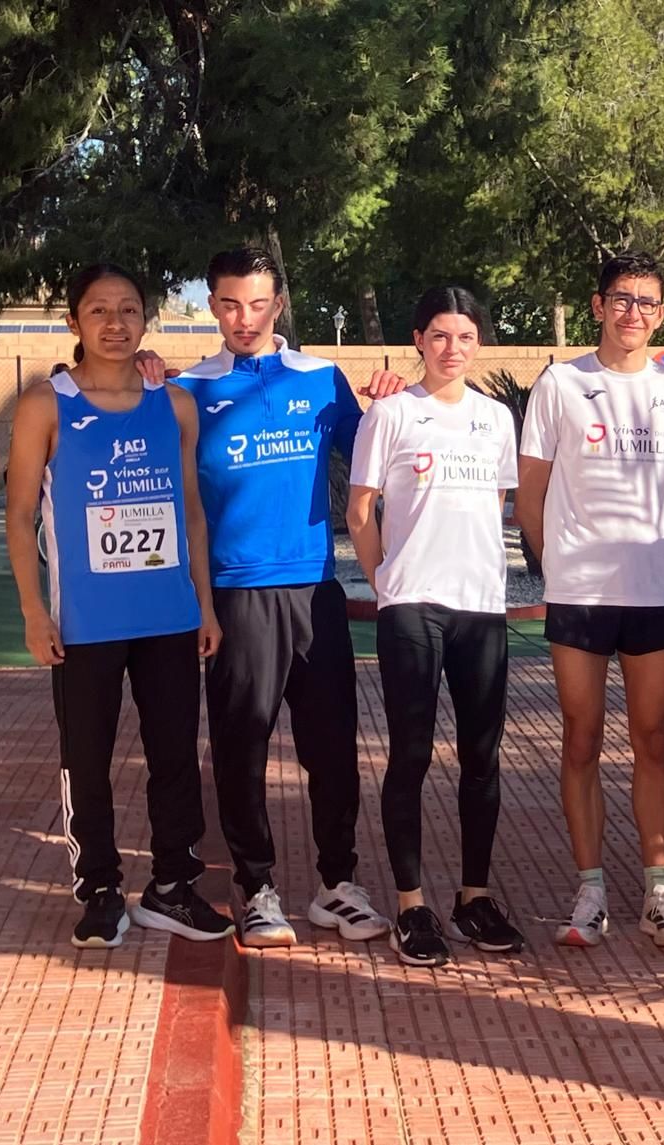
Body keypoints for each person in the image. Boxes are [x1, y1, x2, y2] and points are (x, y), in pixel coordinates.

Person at [165, 247, 390, 947]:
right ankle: (256, 887)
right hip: (235, 596)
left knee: (333, 747)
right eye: (231, 303)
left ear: (279, 304)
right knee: (242, 748)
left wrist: (396, 398)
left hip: (315, 591)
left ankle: (337, 884)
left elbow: (382, 452)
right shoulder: (186, 391)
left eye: (258, 303)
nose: (245, 318)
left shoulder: (322, 378)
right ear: (212, 305)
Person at [5, 263, 232, 947]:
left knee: (174, 757)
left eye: (128, 309)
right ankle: (99, 890)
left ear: (145, 319)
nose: (115, 323)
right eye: (98, 310)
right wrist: (33, 612)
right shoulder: (45, 405)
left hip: (169, 617)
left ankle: (172, 886)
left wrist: (205, 606)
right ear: (74, 321)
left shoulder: (175, 404)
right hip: (84, 624)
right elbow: (18, 515)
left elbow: (191, 513)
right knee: (87, 759)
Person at [514, 252, 664, 950]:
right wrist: (559, 568)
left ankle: (660, 891)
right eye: (621, 298)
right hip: (580, 595)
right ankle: (589, 888)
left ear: (661, 314)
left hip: (655, 592)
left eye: (647, 302)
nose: (633, 312)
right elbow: (530, 497)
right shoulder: (560, 384)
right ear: (598, 306)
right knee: (582, 737)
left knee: (654, 739)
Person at [347, 286, 522, 967]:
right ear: (419, 339)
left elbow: (495, 503)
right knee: (412, 755)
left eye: (466, 336)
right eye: (440, 335)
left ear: (479, 343)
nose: (454, 348)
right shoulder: (391, 414)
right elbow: (361, 509)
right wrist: (385, 581)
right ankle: (411, 904)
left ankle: (474, 898)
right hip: (411, 606)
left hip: (480, 607)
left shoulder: (495, 419)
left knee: (482, 757)